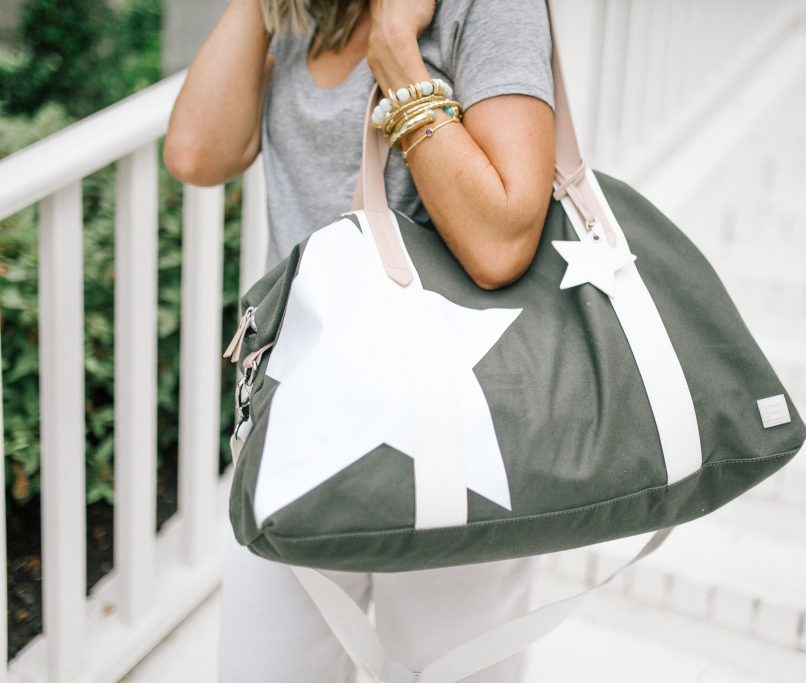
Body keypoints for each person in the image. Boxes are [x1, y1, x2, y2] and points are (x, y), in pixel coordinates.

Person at [163, 0, 556, 680]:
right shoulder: (308, 11)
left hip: (455, 431)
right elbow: (198, 152)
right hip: (303, 420)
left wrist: (399, 50)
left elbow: (502, 240)